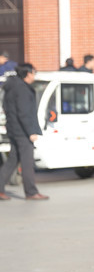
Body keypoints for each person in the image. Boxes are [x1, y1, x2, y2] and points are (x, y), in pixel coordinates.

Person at [0, 64, 48, 201]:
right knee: (27, 162)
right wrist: (31, 131)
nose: (34, 76)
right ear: (27, 74)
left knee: (12, 160)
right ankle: (31, 192)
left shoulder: (11, 87)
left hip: (13, 128)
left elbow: (7, 107)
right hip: (22, 131)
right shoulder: (22, 89)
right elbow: (24, 113)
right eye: (34, 73)